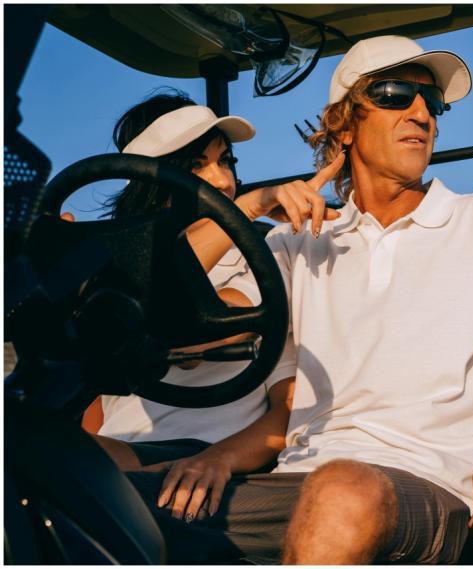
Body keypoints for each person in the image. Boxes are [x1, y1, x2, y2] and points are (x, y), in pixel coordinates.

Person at [126, 36, 473, 565]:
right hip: (294, 484)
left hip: (430, 490)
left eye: (433, 102)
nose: (421, 113)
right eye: (395, 94)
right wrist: (244, 209)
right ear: (343, 124)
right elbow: (166, 318)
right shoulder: (293, 244)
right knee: (92, 496)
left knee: (342, 491)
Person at [79, 89, 345, 520]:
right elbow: (93, 393)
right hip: (119, 446)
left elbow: (183, 324)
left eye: (225, 161)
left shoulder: (262, 258)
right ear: (150, 181)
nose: (222, 181)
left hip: (202, 451)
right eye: (196, 166)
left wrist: (245, 211)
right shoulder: (113, 270)